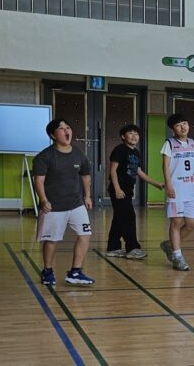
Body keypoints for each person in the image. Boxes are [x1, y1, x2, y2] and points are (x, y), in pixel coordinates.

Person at [33, 118, 94, 286]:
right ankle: (47, 271)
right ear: (53, 135)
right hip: (53, 206)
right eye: (61, 129)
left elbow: (85, 175)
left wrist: (87, 196)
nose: (66, 131)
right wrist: (43, 200)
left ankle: (75, 272)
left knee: (85, 235)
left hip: (76, 204)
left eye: (68, 127)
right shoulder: (44, 157)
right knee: (52, 240)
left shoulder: (78, 153)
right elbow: (39, 181)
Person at [106, 123, 165, 259]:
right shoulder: (119, 149)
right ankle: (132, 248)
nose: (134, 136)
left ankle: (113, 248)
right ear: (123, 136)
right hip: (119, 190)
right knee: (129, 217)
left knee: (119, 218)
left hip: (128, 189)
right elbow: (113, 170)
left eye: (136, 134)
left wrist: (156, 184)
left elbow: (139, 171)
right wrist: (117, 189)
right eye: (130, 133)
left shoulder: (136, 152)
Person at [160, 114, 194, 271]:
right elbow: (165, 166)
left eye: (185, 123)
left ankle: (170, 244)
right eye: (178, 125)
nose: (183, 127)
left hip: (191, 189)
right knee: (176, 222)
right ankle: (177, 257)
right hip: (177, 190)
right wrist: (169, 185)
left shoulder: (193, 143)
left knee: (192, 224)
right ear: (173, 129)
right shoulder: (169, 144)